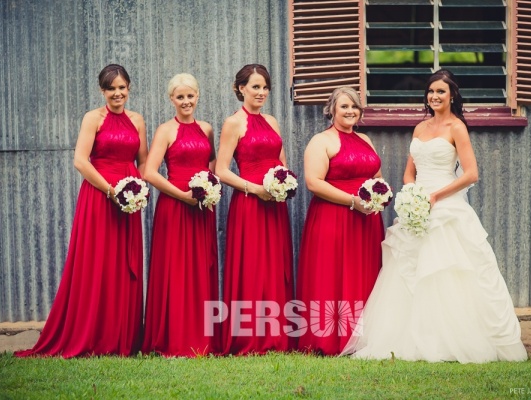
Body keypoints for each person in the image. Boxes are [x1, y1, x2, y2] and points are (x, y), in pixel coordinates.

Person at [342, 69, 528, 363]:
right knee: (409, 270)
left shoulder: (457, 128)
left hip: (447, 207)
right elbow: (409, 171)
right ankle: (407, 337)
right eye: (430, 92)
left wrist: (434, 197)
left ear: (452, 95)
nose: (435, 96)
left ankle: (451, 338)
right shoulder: (420, 128)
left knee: (447, 270)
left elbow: (471, 174)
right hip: (418, 206)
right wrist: (412, 195)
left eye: (441, 91)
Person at [15, 64, 148, 358]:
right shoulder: (93, 118)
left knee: (124, 267)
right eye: (111, 88)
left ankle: (121, 338)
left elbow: (144, 164)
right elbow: (80, 160)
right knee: (97, 263)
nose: (117, 93)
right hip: (100, 197)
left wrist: (139, 192)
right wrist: (112, 191)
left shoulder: (138, 120)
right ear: (102, 90)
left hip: (129, 200)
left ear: (129, 88)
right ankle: (92, 334)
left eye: (122, 87)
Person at [296, 87, 385, 355]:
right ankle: (330, 339)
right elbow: (313, 182)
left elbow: (376, 176)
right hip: (333, 218)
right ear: (332, 109)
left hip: (366, 221)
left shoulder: (366, 139)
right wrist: (352, 201)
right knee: (332, 275)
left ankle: (362, 337)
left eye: (354, 107)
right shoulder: (320, 141)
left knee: (365, 274)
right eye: (344, 106)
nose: (350, 111)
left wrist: (378, 195)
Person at [215, 64, 293, 355]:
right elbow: (222, 170)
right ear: (240, 89)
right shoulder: (234, 123)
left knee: (275, 265)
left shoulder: (272, 121)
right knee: (252, 266)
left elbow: (281, 162)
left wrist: (283, 183)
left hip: (275, 204)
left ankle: (276, 335)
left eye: (265, 87)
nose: (261, 92)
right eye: (255, 87)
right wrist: (256, 188)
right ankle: (250, 337)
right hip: (249, 203)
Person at [141, 73, 219, 357]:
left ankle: (202, 336)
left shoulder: (208, 129)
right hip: (174, 208)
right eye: (180, 97)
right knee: (175, 269)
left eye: (190, 96)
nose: (186, 101)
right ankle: (173, 338)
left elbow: (211, 167)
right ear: (171, 99)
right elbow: (149, 172)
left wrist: (208, 192)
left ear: (198, 96)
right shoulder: (165, 130)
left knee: (201, 268)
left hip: (201, 209)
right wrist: (182, 194)